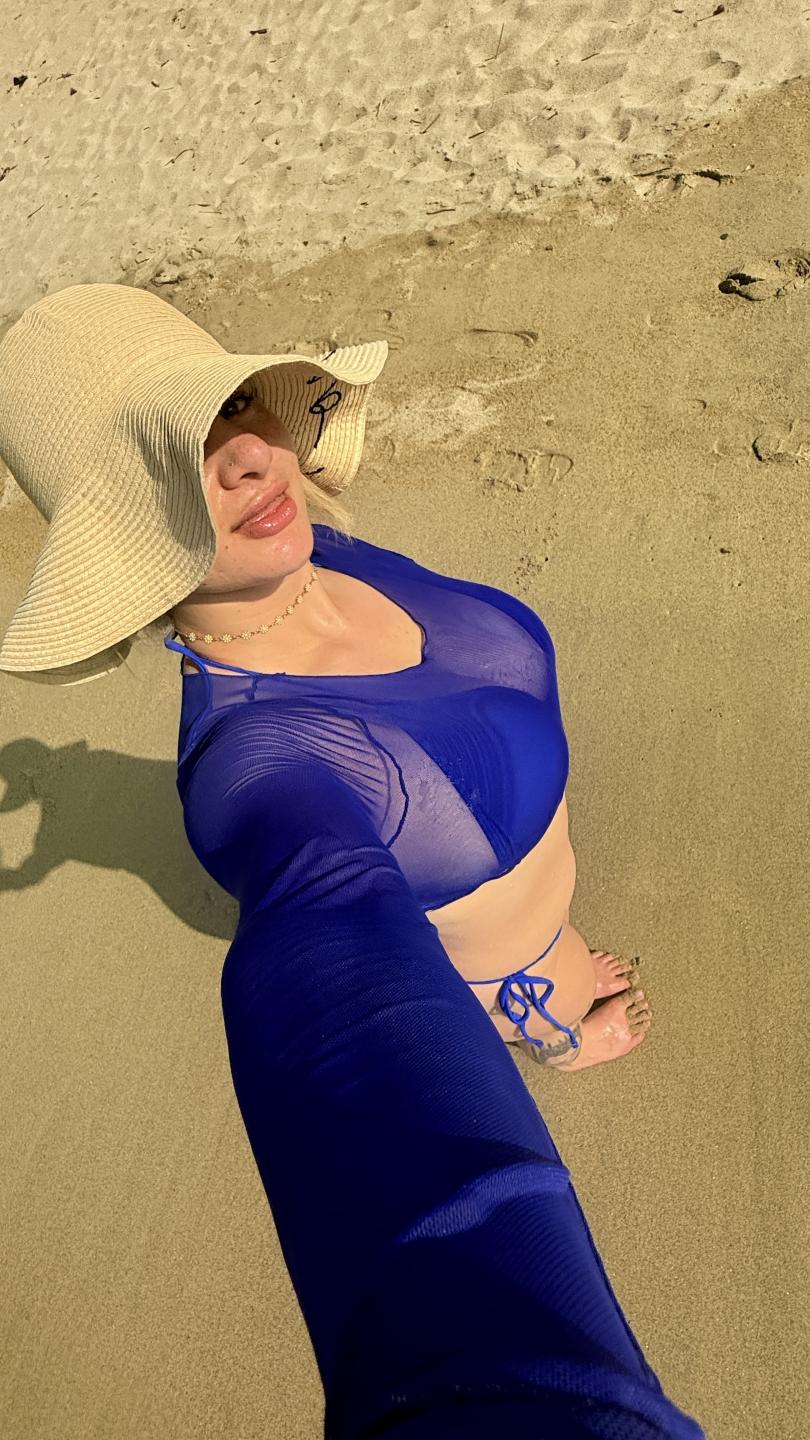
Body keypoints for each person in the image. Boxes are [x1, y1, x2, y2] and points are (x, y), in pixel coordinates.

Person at [0, 283, 705, 1438]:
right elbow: (337, 987)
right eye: (174, 460)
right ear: (119, 545)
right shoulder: (262, 769)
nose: (245, 456)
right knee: (548, 994)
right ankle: (544, 1029)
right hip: (502, 966)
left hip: (525, 904)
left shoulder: (322, 551)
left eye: (236, 405)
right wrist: (512, 1393)